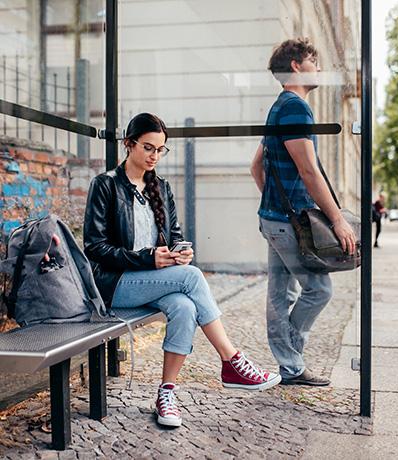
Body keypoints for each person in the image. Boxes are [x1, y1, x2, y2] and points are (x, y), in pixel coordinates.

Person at [83, 113, 280, 428]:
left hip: (150, 282)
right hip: (114, 284)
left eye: (161, 150)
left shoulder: (160, 187)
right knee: (192, 278)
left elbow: (173, 235)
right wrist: (148, 259)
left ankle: (166, 394)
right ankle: (232, 360)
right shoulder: (105, 185)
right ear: (128, 144)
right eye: (148, 148)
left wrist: (180, 252)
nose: (154, 156)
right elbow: (94, 248)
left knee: (185, 306)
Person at [250, 38, 357, 386]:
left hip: (277, 219)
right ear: (296, 65)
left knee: (284, 294)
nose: (319, 69)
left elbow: (256, 167)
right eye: (315, 61)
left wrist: (274, 204)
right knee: (319, 290)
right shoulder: (294, 107)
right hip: (286, 222)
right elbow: (309, 171)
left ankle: (290, 366)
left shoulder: (281, 107)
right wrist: (338, 219)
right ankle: (291, 356)